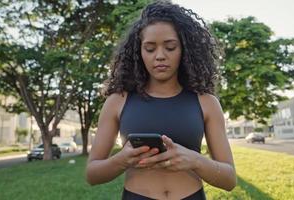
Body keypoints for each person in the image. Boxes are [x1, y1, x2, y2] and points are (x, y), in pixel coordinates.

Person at [86, 1, 236, 199]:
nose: (160, 56)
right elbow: (92, 174)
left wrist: (195, 161)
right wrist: (122, 160)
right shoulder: (118, 101)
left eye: (170, 47)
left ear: (184, 50)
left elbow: (229, 179)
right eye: (149, 48)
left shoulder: (206, 102)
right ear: (139, 52)